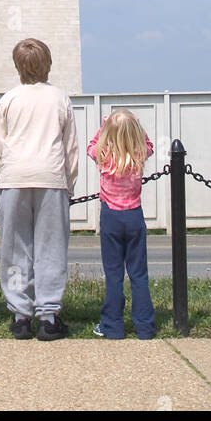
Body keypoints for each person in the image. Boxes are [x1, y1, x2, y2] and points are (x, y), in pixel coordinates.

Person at [0, 38, 78, 341]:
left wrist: (2, 176)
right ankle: (49, 314)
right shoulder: (59, 98)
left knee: (15, 248)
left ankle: (20, 315)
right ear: (48, 64)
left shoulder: (9, 99)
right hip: (51, 176)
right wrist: (69, 184)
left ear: (17, 66)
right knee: (50, 248)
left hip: (14, 177)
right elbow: (70, 149)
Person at [87, 109, 156, 339]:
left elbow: (91, 146)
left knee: (114, 274)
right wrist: (135, 126)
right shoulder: (139, 155)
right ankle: (145, 326)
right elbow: (149, 144)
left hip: (111, 217)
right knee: (138, 274)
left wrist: (105, 126)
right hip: (134, 215)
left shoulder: (104, 155)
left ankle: (112, 325)